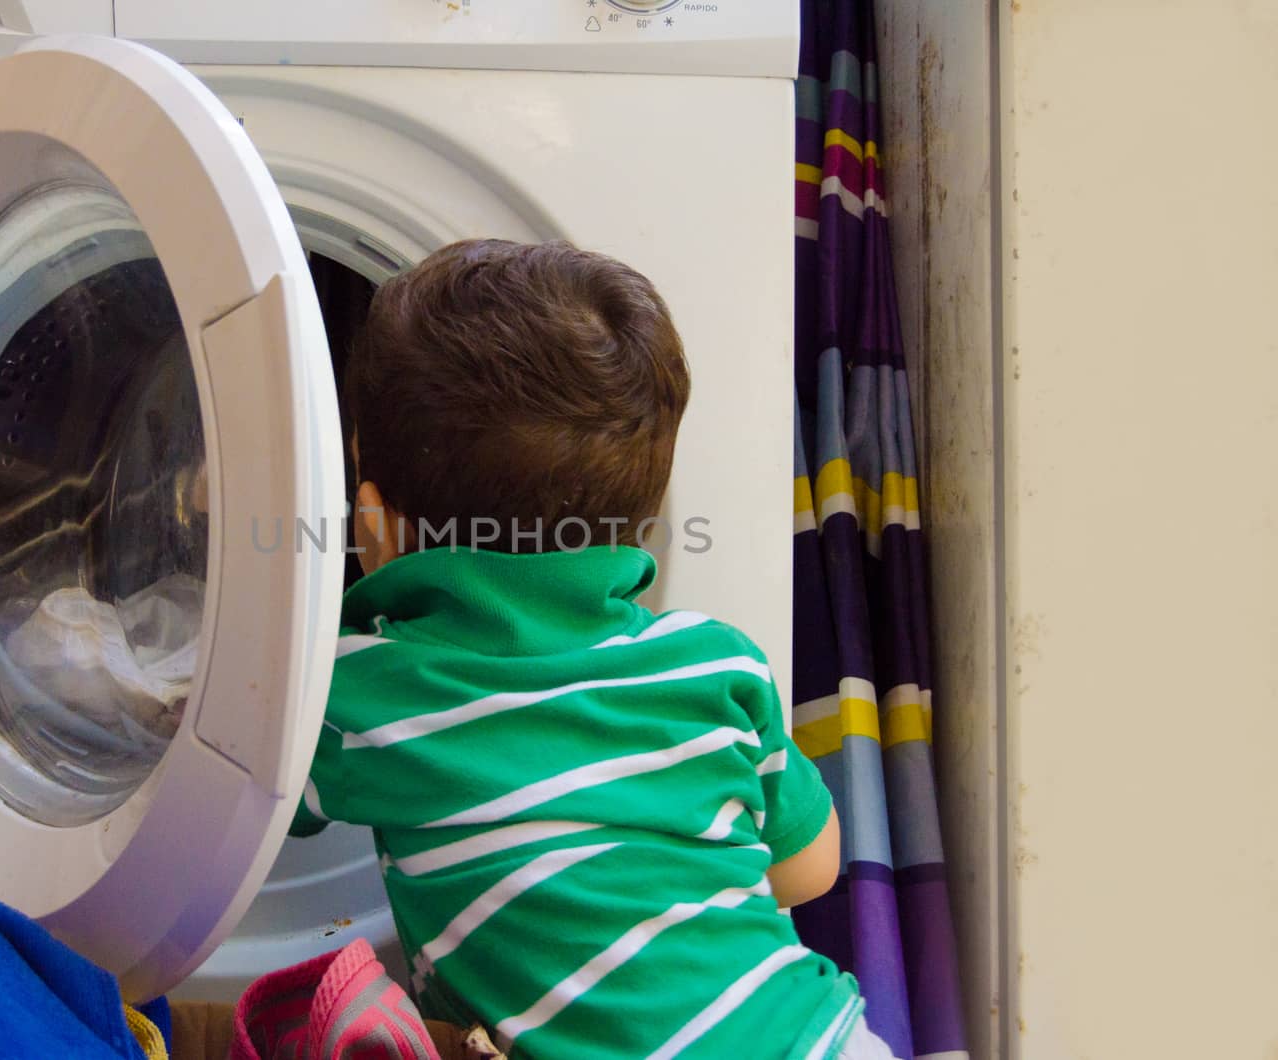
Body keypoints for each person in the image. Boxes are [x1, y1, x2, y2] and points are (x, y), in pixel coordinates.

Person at [292, 240, 894, 1059]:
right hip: (817, 1039)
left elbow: (218, 792)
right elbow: (808, 869)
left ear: (371, 524)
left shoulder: (354, 694)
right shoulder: (715, 664)